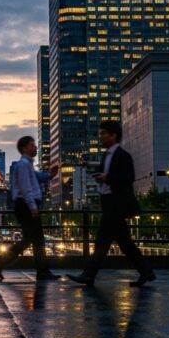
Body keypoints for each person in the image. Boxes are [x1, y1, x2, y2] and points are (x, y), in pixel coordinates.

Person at [68, 121, 156, 287]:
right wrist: (101, 176)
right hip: (109, 203)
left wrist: (107, 178)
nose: (100, 137)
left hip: (117, 204)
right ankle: (146, 271)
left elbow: (129, 178)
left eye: (103, 134)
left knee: (104, 241)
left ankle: (89, 274)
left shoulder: (123, 155)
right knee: (122, 242)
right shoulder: (106, 155)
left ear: (113, 135)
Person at [0, 136, 60, 281]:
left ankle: (2, 261)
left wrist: (50, 175)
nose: (35, 147)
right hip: (26, 205)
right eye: (32, 145)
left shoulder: (27, 165)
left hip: (25, 205)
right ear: (24, 148)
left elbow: (37, 177)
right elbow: (25, 188)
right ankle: (42, 271)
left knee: (30, 239)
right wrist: (32, 206)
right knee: (37, 240)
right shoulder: (23, 165)